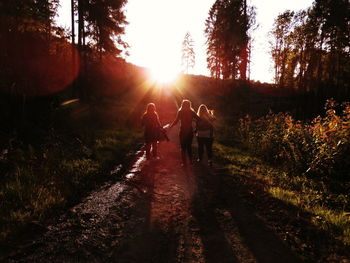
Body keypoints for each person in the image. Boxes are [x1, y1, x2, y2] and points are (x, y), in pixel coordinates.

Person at [170, 99, 200, 166]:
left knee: (183, 147)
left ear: (182, 105)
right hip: (190, 131)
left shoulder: (180, 112)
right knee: (189, 147)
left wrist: (170, 126)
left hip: (183, 131)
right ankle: (190, 162)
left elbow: (176, 121)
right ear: (189, 105)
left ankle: (184, 163)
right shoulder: (192, 112)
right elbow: (199, 119)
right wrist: (196, 128)